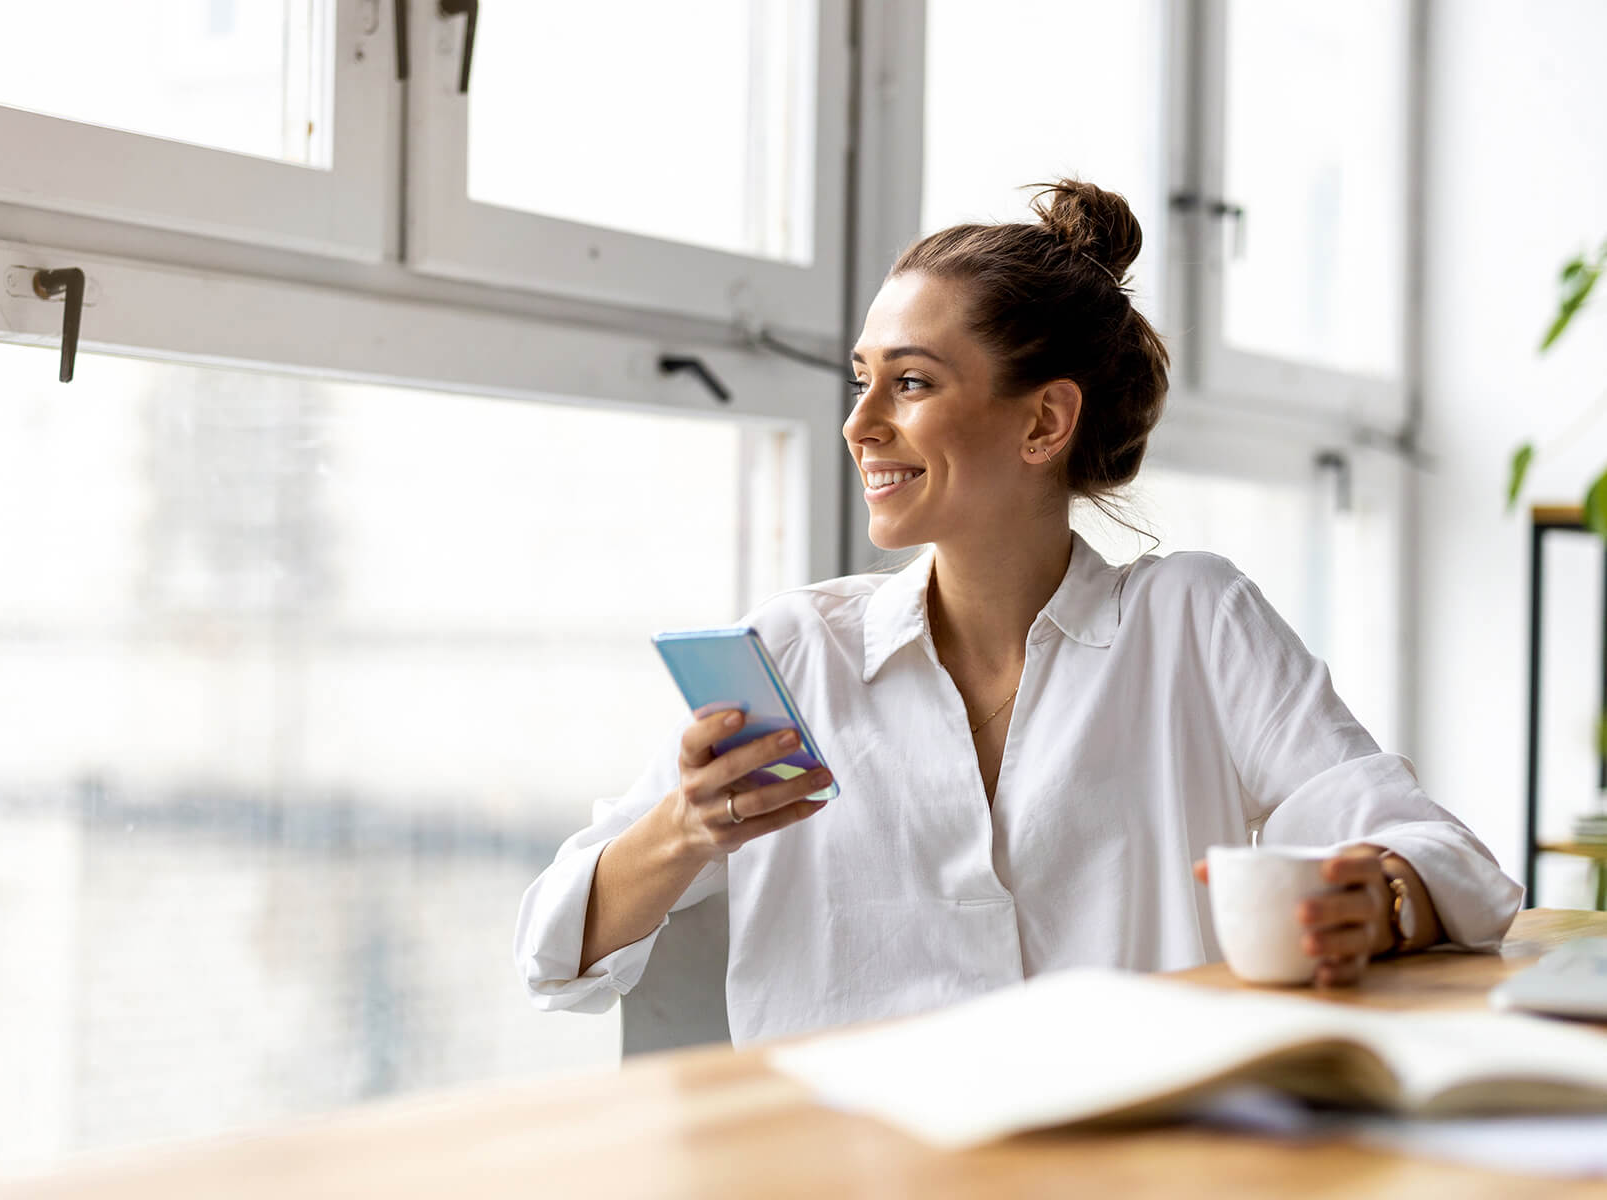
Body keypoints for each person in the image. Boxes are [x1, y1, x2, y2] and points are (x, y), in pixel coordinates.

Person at [514, 179, 1523, 1047]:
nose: (859, 424)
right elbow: (553, 946)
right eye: (861, 380)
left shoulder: (1192, 622)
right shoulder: (794, 655)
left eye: (909, 383)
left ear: (1044, 420)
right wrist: (685, 829)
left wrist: (1379, 899)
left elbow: (1444, 859)